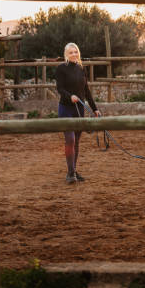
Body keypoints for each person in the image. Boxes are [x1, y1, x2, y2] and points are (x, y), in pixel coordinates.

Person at [55, 43, 101, 184]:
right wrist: (70, 96)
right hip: (66, 109)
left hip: (79, 110)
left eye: (76, 52)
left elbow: (86, 91)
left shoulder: (81, 69)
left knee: (76, 142)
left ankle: (73, 170)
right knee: (70, 140)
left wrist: (94, 108)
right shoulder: (61, 69)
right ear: (66, 55)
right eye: (71, 52)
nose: (74, 54)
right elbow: (59, 88)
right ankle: (70, 173)